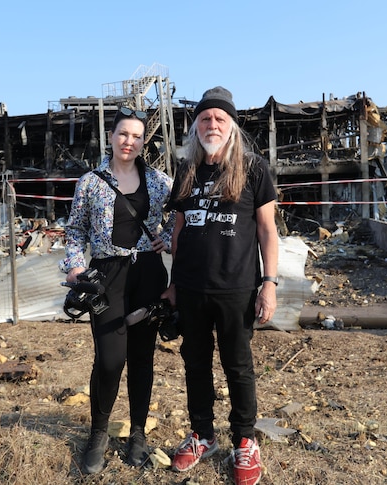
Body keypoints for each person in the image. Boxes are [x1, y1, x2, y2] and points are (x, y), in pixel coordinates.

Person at [162, 86, 278, 485]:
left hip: (237, 288)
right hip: (192, 289)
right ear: (196, 126)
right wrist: (174, 283)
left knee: (238, 366)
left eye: (220, 119)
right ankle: (203, 435)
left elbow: (267, 232)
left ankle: (245, 441)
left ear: (232, 126)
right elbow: (177, 231)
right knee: (195, 363)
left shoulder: (254, 168)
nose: (212, 124)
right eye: (206, 118)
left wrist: (269, 284)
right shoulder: (187, 170)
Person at [60, 106, 174, 474]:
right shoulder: (91, 182)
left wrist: (168, 239)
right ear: (111, 137)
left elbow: (184, 217)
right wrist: (76, 266)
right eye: (123, 134)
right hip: (107, 276)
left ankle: (138, 433)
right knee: (110, 359)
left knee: (142, 358)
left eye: (137, 136)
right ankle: (98, 434)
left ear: (144, 141)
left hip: (148, 274)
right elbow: (75, 230)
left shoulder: (159, 181)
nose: (130, 141)